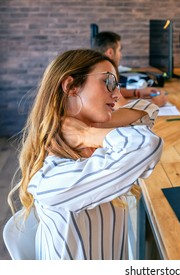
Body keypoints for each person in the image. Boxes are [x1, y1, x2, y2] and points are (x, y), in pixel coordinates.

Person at [7, 49, 163, 260]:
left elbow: (149, 110)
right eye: (108, 82)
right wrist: (85, 132)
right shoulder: (51, 177)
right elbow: (146, 144)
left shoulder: (89, 150)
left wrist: (91, 128)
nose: (117, 95)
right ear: (71, 86)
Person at [92, 31, 168, 107]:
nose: (120, 55)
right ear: (110, 52)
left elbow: (112, 92)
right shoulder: (104, 75)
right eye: (119, 50)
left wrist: (137, 92)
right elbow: (123, 110)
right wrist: (155, 104)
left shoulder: (95, 68)